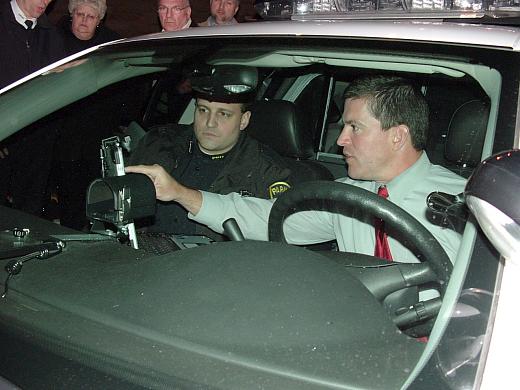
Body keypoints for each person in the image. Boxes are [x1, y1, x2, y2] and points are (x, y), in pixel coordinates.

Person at [127, 75, 467, 263]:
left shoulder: (469, 204)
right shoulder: (345, 197)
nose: (340, 140)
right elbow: (267, 217)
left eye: (355, 128)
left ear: (397, 137)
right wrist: (179, 193)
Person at [128, 66, 293, 240]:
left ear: (244, 120)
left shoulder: (267, 171)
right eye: (203, 110)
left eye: (224, 114)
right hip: (145, 257)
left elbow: (276, 236)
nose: (210, 123)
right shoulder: (158, 142)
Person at [0, 0, 66, 215]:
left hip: (36, 142)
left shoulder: (51, 34)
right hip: (3, 133)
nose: (46, 1)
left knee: (27, 215)